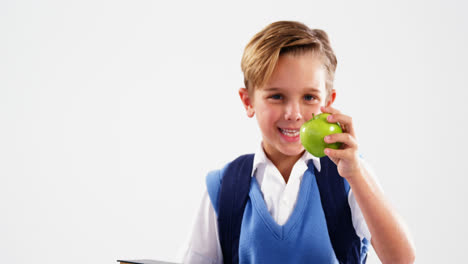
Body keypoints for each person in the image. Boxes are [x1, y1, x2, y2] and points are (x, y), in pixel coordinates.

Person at [181, 21, 415, 264]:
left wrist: (355, 174)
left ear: (328, 101)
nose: (293, 113)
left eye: (309, 97)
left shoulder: (350, 175)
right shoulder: (224, 186)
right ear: (248, 101)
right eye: (277, 96)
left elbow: (401, 259)